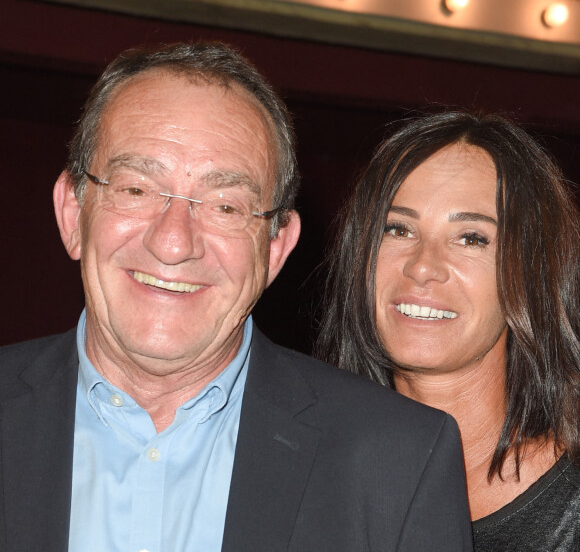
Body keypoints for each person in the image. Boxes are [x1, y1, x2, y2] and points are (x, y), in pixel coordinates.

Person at [0, 43, 472, 551]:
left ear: (275, 249)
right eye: (135, 190)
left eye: (226, 206)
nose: (174, 242)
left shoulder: (399, 463)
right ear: (73, 214)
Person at [316, 109, 580, 550]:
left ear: (532, 272)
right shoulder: (301, 473)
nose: (422, 266)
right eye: (397, 229)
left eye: (471, 238)